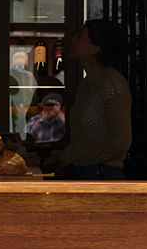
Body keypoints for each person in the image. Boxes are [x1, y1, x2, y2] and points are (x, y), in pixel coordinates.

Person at [51, 20, 131, 180]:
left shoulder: (112, 83)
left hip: (101, 175)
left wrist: (71, 155)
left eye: (81, 34)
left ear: (95, 49)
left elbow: (120, 142)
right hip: (83, 172)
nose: (73, 39)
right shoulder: (88, 82)